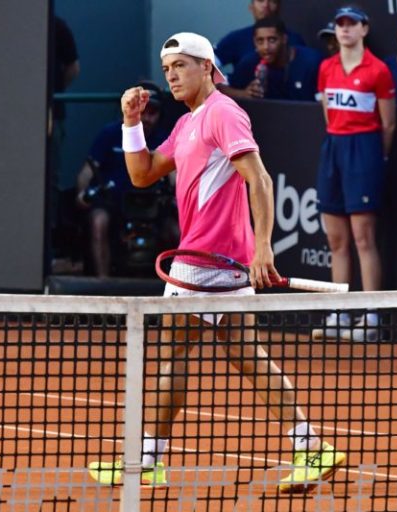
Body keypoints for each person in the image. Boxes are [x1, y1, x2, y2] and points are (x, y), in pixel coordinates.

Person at [87, 32, 345, 492]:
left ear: (207, 67)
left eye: (180, 66)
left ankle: (148, 461)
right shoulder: (188, 124)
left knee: (174, 357)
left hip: (202, 262)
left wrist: (263, 246)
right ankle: (311, 447)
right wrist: (131, 121)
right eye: (167, 70)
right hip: (216, 260)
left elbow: (259, 179)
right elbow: (142, 173)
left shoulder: (224, 113)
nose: (172, 76)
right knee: (247, 357)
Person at [314, 6, 396, 342]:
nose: (344, 30)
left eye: (351, 24)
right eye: (340, 25)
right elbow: (327, 115)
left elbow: (388, 124)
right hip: (333, 148)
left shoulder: (378, 70)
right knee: (336, 240)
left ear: (364, 29)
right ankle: (339, 313)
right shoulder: (326, 68)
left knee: (363, 237)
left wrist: (377, 156)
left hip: (365, 151)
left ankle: (371, 318)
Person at [75, 81, 174, 277]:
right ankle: (104, 283)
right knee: (98, 222)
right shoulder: (110, 134)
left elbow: (175, 174)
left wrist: (178, 195)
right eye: (142, 110)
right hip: (114, 201)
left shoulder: (165, 138)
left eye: (152, 112)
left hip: (152, 202)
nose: (146, 117)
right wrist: (81, 194)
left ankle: (173, 287)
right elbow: (87, 170)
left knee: (177, 231)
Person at [49, 16, 82, 272]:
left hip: (51, 118)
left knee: (50, 184)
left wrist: (48, 96)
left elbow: (73, 69)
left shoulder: (57, 25)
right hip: (8, 118)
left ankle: (47, 252)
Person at [226, 17, 323, 101]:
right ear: (254, 42)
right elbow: (218, 86)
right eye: (260, 41)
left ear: (284, 39)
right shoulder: (249, 62)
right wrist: (243, 94)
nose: (266, 47)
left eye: (272, 40)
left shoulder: (312, 62)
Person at [215, 0, 305, 72]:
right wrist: (239, 92)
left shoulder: (294, 39)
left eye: (272, 1)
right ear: (251, 7)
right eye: (260, 0)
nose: (266, 5)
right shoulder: (235, 39)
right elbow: (205, 68)